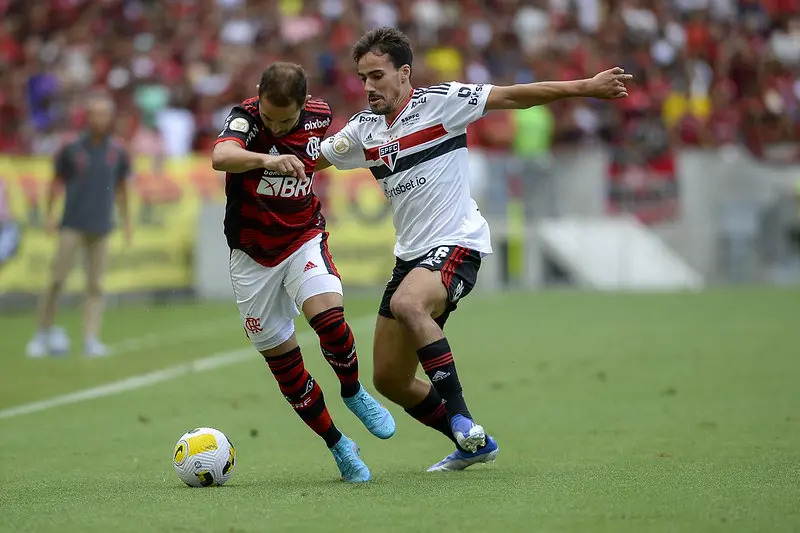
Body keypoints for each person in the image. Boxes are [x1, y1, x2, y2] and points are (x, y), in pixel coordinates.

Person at [317, 27, 631, 472]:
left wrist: (586, 87)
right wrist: (257, 153)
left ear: (404, 74)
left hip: (458, 242)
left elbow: (515, 96)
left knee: (409, 303)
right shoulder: (362, 131)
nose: (368, 86)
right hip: (410, 256)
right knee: (388, 378)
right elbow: (313, 157)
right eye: (363, 78)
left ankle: (462, 417)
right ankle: (472, 443)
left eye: (377, 75)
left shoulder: (442, 101)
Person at [211, 62, 395, 483]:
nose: (276, 127)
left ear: (303, 104)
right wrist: (266, 161)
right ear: (258, 95)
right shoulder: (245, 119)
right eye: (270, 117)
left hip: (302, 239)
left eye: (286, 120)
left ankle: (354, 392)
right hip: (252, 257)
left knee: (330, 319)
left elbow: (333, 150)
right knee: (286, 365)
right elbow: (221, 156)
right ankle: (339, 445)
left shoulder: (321, 115)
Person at [26, 92, 132, 358]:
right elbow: (55, 181)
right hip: (71, 224)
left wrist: (126, 220)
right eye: (95, 113)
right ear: (87, 116)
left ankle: (91, 339)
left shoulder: (117, 150)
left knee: (96, 286)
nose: (100, 119)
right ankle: (42, 333)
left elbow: (121, 188)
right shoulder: (71, 148)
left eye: (105, 113)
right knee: (56, 280)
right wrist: (49, 215)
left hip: (102, 226)